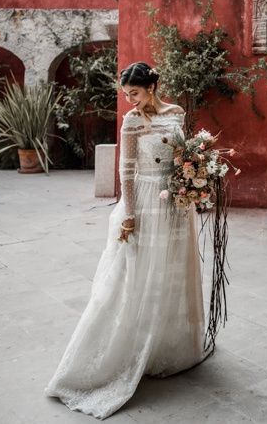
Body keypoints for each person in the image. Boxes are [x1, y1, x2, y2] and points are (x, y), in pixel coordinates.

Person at [44, 62, 210, 420]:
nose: (129, 100)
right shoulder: (133, 120)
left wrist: (194, 179)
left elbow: (182, 155)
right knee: (137, 272)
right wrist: (130, 213)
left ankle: (169, 346)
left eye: (133, 92)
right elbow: (127, 170)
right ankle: (130, 347)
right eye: (125, 94)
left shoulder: (177, 113)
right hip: (146, 201)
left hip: (176, 201)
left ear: (152, 86)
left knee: (172, 267)